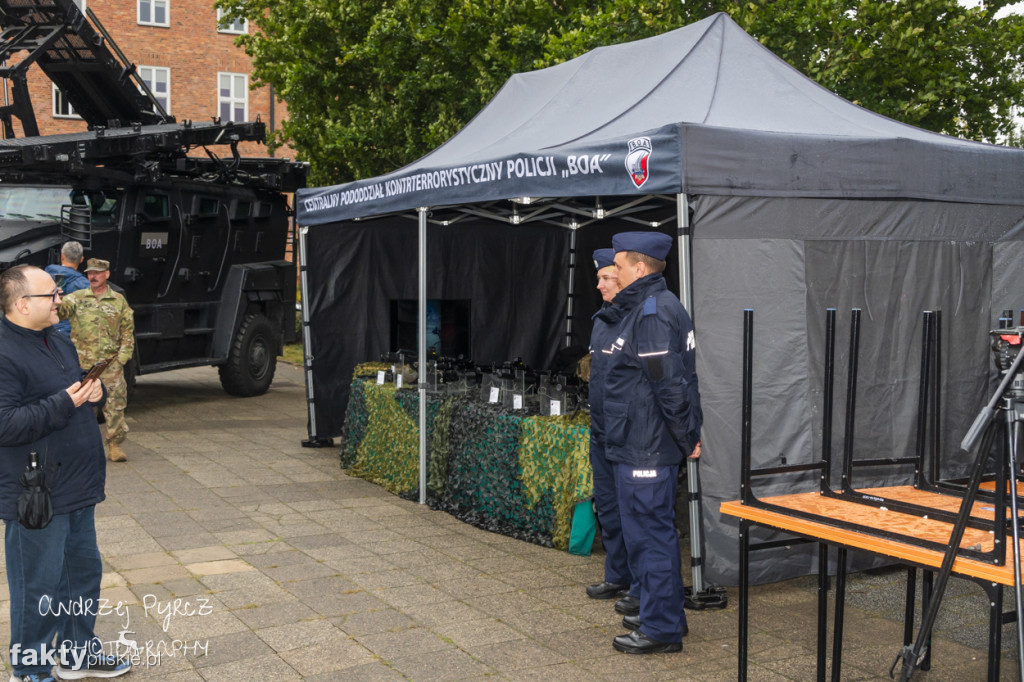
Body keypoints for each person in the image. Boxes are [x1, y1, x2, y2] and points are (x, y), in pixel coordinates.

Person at [0, 264, 131, 682]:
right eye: (51, 295)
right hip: (35, 494)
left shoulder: (57, 339)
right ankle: (30, 669)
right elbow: (6, 424)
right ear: (22, 304)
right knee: (37, 587)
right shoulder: (2, 353)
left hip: (76, 486)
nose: (61, 300)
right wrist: (66, 402)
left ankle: (76, 653)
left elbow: (73, 389)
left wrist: (96, 390)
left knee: (82, 577)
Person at [602, 231, 702, 655]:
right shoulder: (651, 307)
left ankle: (661, 630)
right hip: (640, 441)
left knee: (651, 538)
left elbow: (671, 386)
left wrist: (687, 437)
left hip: (647, 445)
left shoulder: (653, 312)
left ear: (639, 268)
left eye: (619, 266)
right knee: (648, 534)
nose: (614, 273)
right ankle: (663, 613)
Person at [585, 248, 636, 605]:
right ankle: (617, 575)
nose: (600, 285)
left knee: (633, 511)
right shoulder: (602, 319)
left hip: (628, 433)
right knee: (607, 506)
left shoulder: (638, 319)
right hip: (601, 431)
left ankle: (639, 584)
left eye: (606, 278)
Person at [58, 259, 135, 463]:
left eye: (98, 273)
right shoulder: (76, 298)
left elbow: (127, 330)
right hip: (83, 365)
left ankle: (114, 445)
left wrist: (122, 358)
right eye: (90, 273)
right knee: (81, 405)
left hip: (110, 365)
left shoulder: (118, 300)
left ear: (107, 275)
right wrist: (55, 298)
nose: (93, 276)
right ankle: (81, 447)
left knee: (115, 405)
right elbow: (59, 312)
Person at [43, 241, 89, 337]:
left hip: (45, 329)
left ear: (62, 256)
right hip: (70, 334)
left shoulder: (44, 275)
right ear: (81, 259)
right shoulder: (85, 285)